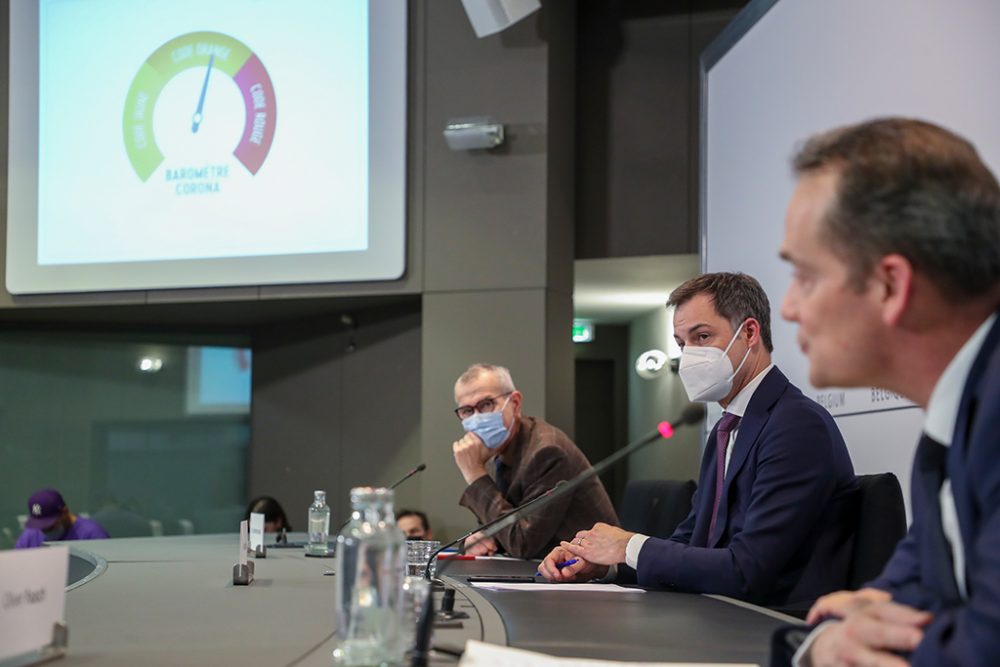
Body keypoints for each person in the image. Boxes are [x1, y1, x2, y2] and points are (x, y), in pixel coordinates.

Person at [775, 118, 1000, 666]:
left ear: (891, 286)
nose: (788, 306)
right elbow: (896, 596)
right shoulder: (958, 417)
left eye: (805, 275)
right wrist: (827, 638)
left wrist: (830, 643)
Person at [540, 273, 858, 608]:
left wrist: (628, 545)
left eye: (702, 336)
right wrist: (605, 566)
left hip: (772, 623)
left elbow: (748, 570)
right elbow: (691, 545)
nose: (689, 354)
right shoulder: (727, 428)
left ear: (749, 333)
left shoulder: (795, 425)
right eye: (681, 344)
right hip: (720, 612)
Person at [452, 363, 618, 559]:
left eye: (486, 404)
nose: (477, 418)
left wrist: (475, 474)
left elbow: (523, 543)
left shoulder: (546, 451)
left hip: (588, 575)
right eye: (467, 411)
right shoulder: (497, 449)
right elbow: (497, 527)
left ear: (515, 403)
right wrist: (477, 539)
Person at [15, 488, 109, 548]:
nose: (45, 531)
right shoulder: (29, 536)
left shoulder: (92, 534)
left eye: (50, 526)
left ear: (65, 512)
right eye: (41, 527)